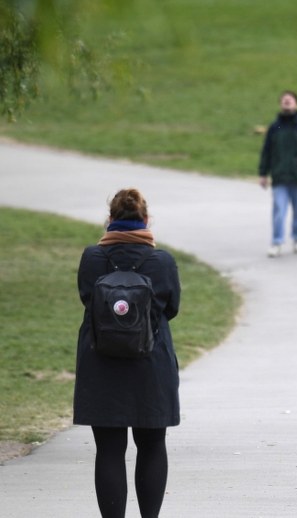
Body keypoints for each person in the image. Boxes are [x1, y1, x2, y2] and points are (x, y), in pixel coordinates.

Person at [74, 188, 181, 517]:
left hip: (101, 364)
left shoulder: (93, 258)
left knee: (108, 449)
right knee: (151, 444)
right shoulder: (161, 261)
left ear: (109, 220)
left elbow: (87, 300)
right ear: (146, 220)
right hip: (151, 363)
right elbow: (172, 308)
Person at [258, 90, 297, 257]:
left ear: (296, 103)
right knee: (279, 210)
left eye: (290, 100)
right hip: (279, 176)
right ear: (280, 104)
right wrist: (263, 173)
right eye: (284, 100)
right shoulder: (275, 126)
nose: (287, 102)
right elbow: (267, 151)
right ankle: (276, 242)